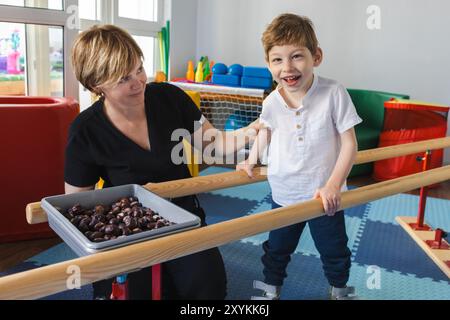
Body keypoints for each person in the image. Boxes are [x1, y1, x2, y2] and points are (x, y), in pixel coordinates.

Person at [67, 24, 260, 300]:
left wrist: (253, 129)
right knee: (134, 293)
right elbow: (77, 206)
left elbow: (213, 144)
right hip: (126, 227)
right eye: (123, 79)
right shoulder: (85, 131)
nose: (138, 82)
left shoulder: (169, 98)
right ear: (97, 85)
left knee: (208, 287)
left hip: (181, 214)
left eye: (139, 69)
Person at [236, 13, 362, 300]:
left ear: (316, 56)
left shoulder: (333, 92)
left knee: (334, 249)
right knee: (277, 248)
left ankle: (339, 290)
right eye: (277, 60)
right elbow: (265, 131)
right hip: (284, 191)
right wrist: (251, 159)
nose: (287, 67)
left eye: (296, 57)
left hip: (324, 196)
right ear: (268, 64)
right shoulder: (272, 101)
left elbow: (350, 145)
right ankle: (271, 289)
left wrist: (333, 185)